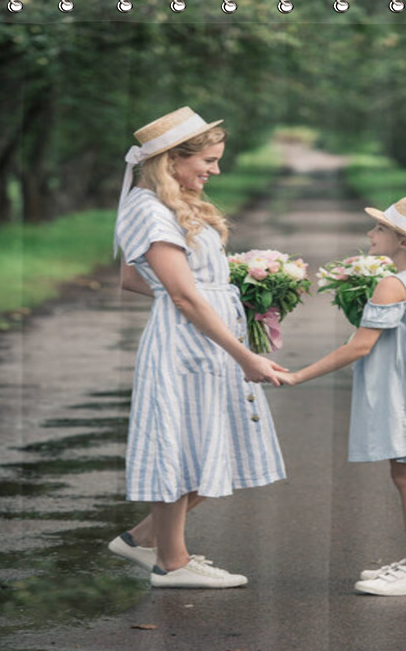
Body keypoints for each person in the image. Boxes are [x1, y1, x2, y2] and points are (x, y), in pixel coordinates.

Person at [108, 106, 287, 588]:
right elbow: (181, 294)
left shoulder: (176, 203)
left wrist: (221, 297)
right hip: (185, 345)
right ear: (171, 160)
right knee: (180, 442)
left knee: (217, 440)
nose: (215, 170)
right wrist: (243, 351)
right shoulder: (147, 209)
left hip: (205, 334)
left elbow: (140, 279)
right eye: (208, 160)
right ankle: (173, 562)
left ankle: (147, 540)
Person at [278, 197, 406, 596]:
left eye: (380, 229)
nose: (370, 235)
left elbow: (359, 347)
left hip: (405, 390)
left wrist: (298, 375)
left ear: (405, 241)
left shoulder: (393, 284)